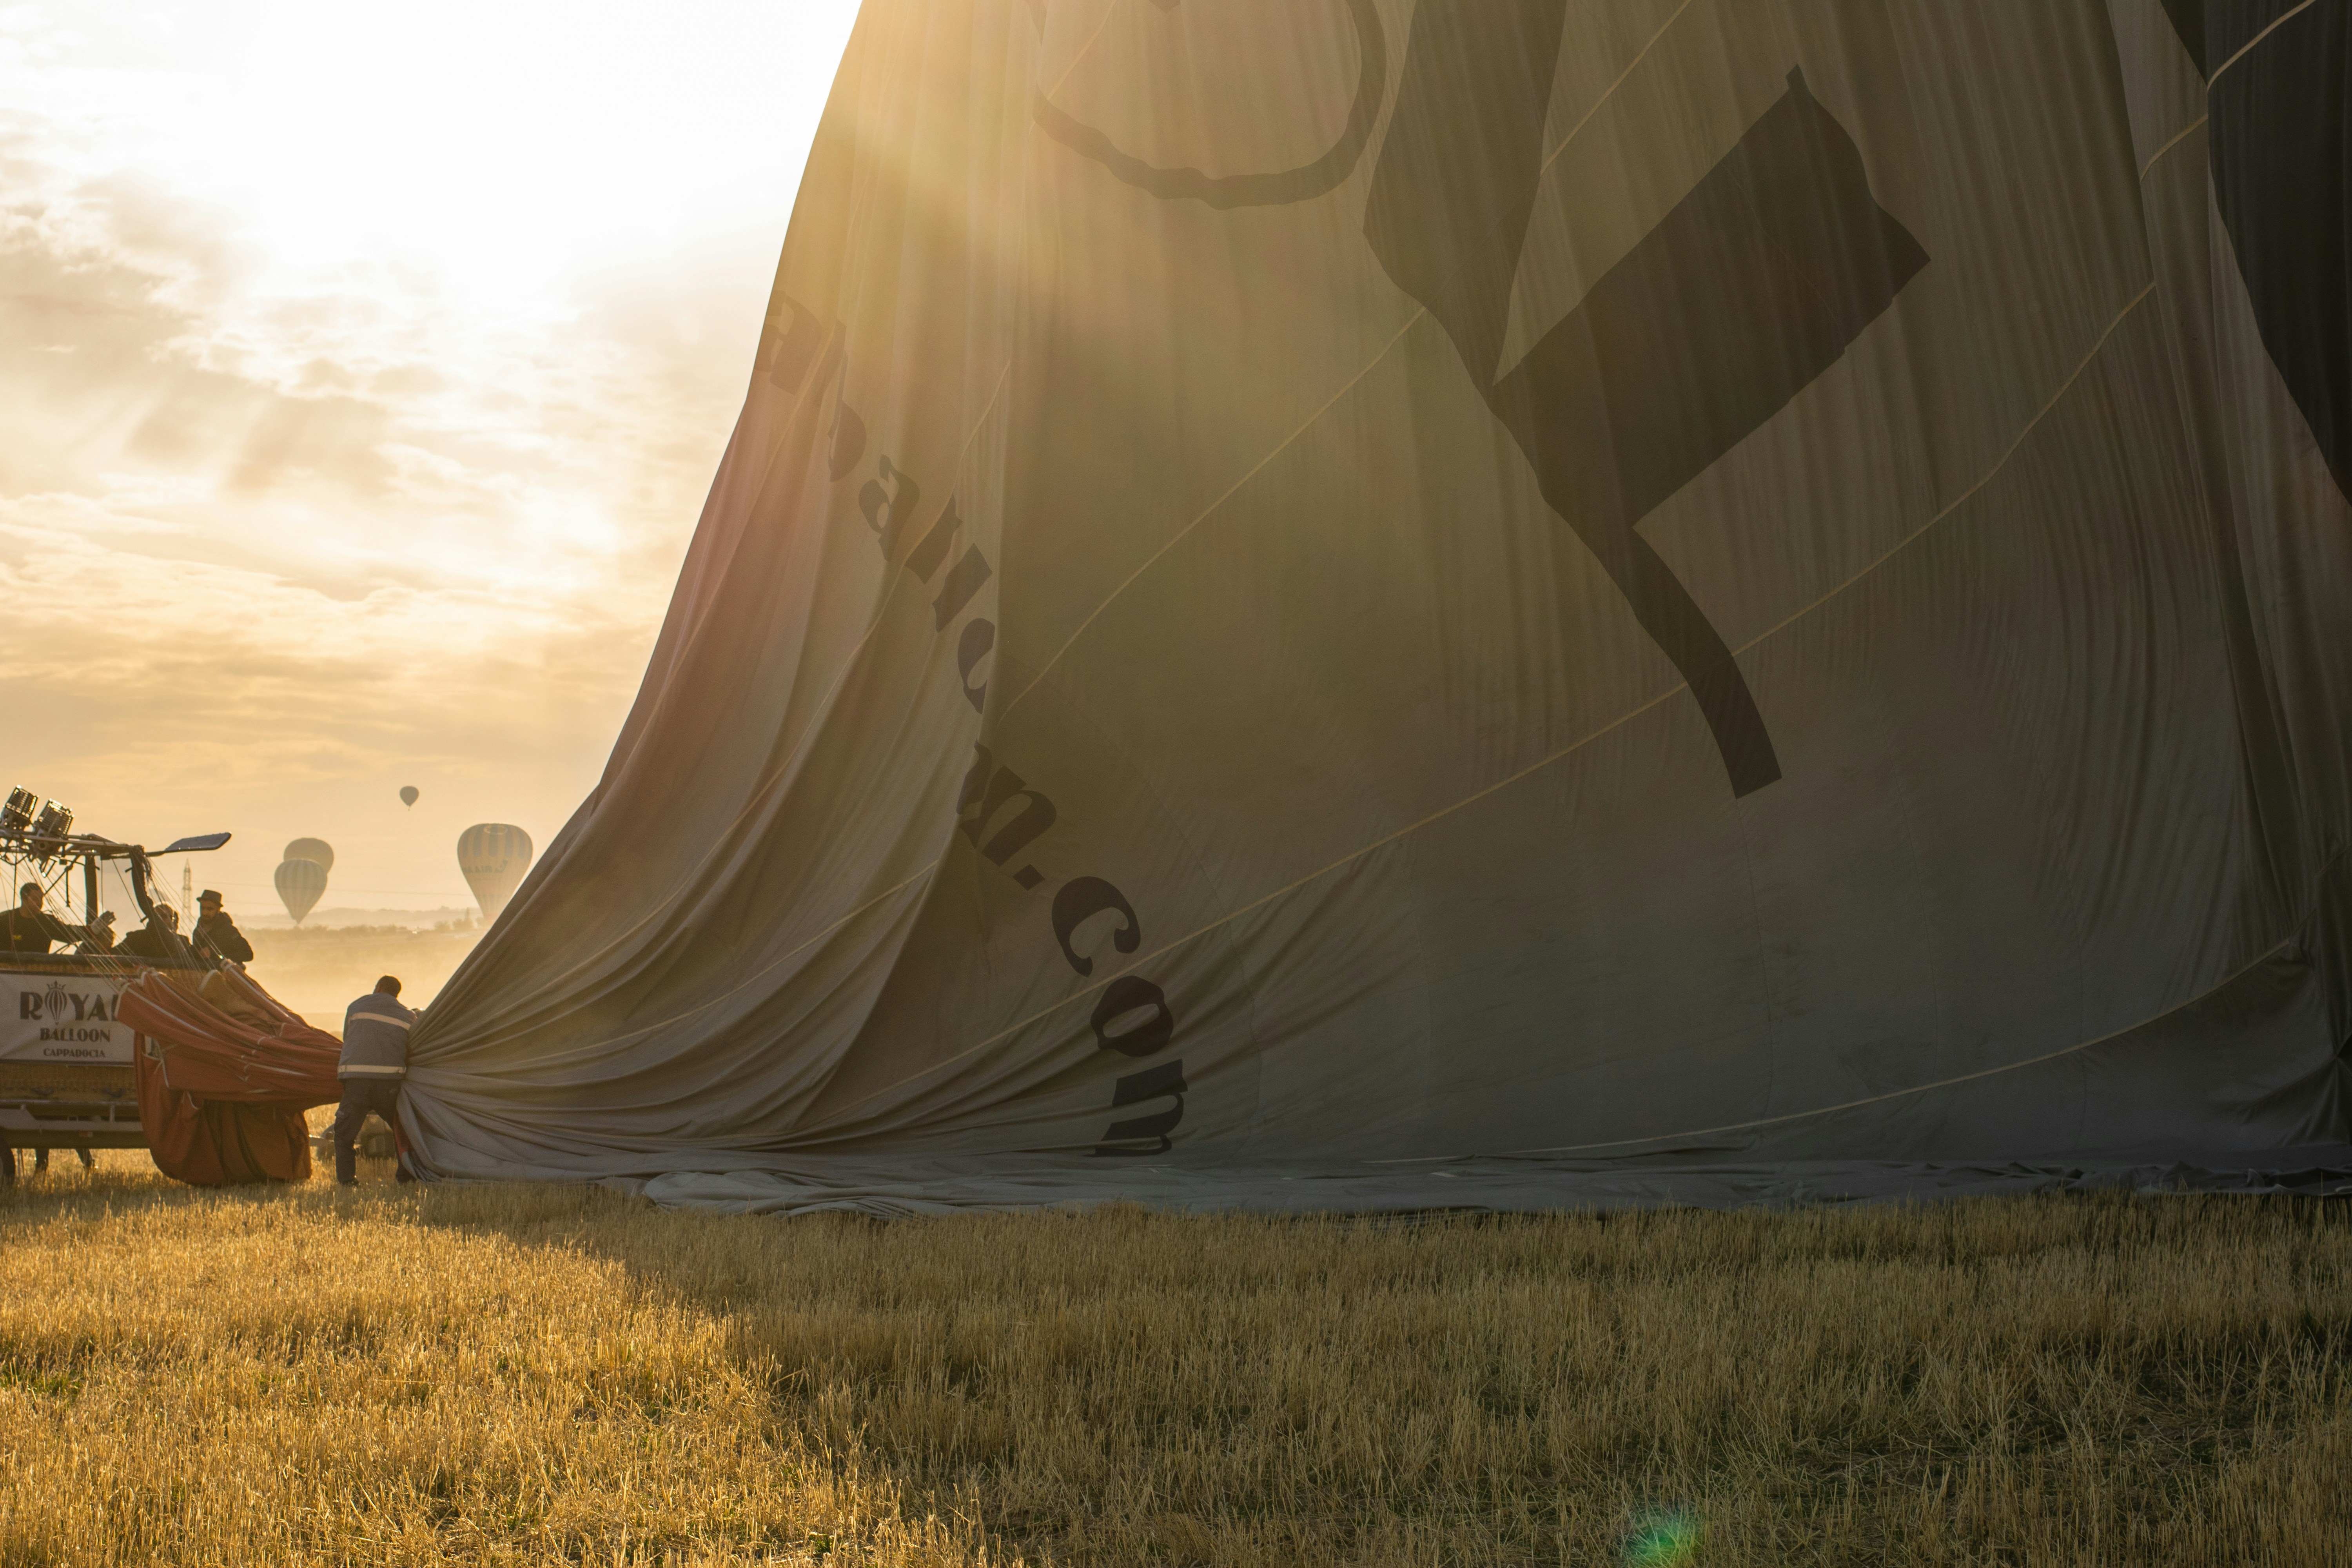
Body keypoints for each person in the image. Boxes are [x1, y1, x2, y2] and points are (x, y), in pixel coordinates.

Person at [334, 975, 415, 1187]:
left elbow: (347, 1038)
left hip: (356, 1080)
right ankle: (405, 1178)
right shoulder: (408, 1016)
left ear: (378, 987)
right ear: (397, 994)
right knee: (400, 1131)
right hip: (389, 1082)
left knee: (344, 1135)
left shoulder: (357, 1006)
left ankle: (347, 1181)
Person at [3, 882, 91, 959]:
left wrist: (91, 931)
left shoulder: (47, 922)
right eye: (35, 899)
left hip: (40, 971)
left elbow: (69, 934)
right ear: (24, 900)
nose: (40, 903)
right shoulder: (6, 920)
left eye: (41, 899)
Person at [117, 903, 195, 965]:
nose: (168, 921)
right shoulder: (136, 938)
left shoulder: (182, 941)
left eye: (171, 917)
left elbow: (196, 956)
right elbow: (114, 954)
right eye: (163, 916)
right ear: (153, 918)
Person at [190, 889, 253, 965]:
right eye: (203, 908)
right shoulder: (198, 932)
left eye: (210, 909)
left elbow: (248, 955)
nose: (205, 913)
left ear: (218, 910)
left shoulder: (229, 931)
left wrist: (216, 954)